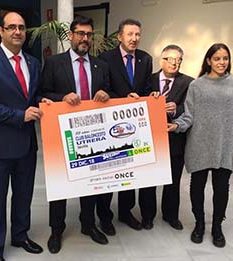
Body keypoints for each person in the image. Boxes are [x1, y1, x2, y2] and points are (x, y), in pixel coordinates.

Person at [0, 12, 48, 261]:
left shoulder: (33, 63)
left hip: (27, 145)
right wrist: (20, 116)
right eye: (12, 27)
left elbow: (33, 97)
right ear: (1, 31)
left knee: (24, 194)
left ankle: (20, 235)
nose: (18, 32)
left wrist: (43, 102)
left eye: (22, 28)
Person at [41, 15, 111, 254]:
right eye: (80, 33)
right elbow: (43, 93)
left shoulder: (100, 65)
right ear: (71, 35)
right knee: (60, 183)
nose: (85, 38)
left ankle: (88, 224)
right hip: (62, 134)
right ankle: (56, 230)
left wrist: (105, 94)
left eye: (89, 34)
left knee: (90, 182)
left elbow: (110, 92)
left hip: (93, 135)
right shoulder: (53, 63)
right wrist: (62, 98)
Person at [168, 43, 233, 248]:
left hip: (225, 145)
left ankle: (217, 228)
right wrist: (177, 125)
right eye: (217, 58)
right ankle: (199, 225)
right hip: (199, 145)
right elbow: (189, 115)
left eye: (225, 58)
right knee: (197, 187)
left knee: (222, 189)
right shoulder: (197, 85)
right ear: (208, 61)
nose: (221, 62)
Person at [97, 18, 153, 233]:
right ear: (119, 37)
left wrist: (150, 95)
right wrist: (122, 99)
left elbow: (147, 87)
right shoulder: (105, 58)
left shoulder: (145, 59)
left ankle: (125, 211)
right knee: (111, 171)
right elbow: (102, 90)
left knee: (130, 171)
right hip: (111, 123)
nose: (134, 38)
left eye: (137, 34)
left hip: (135, 126)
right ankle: (104, 216)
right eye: (130, 34)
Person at [140, 45, 194, 231]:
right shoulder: (149, 80)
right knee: (149, 181)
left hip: (175, 138)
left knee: (173, 180)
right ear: (162, 60)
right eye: (171, 59)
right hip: (150, 139)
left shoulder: (189, 82)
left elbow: (191, 109)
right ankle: (147, 216)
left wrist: (176, 109)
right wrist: (149, 98)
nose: (175, 63)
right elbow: (137, 102)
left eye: (179, 59)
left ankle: (171, 215)